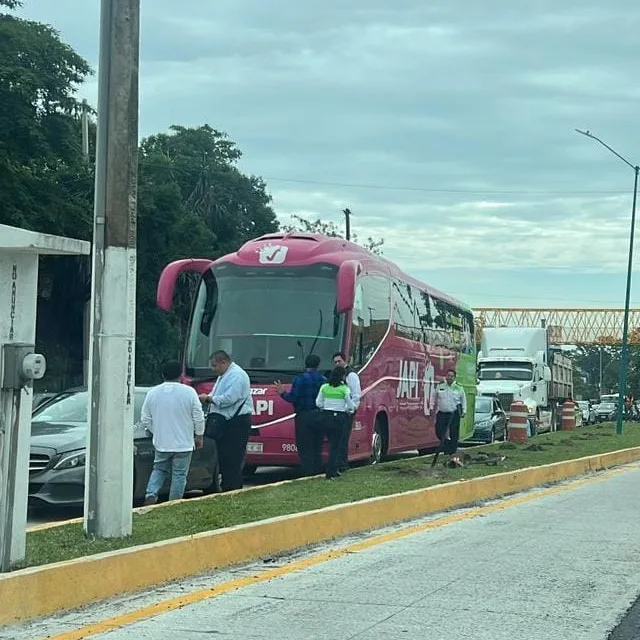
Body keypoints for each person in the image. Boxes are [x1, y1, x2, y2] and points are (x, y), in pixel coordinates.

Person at [141, 360, 205, 506]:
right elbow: (198, 416)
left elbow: (145, 418)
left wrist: (156, 431)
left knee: (158, 469)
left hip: (162, 442)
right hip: (184, 444)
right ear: (180, 374)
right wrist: (199, 435)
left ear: (163, 374)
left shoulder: (153, 392)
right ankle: (174, 503)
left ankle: (151, 494)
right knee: (179, 475)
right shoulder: (189, 392)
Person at [199, 351, 252, 492]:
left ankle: (232, 489)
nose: (213, 369)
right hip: (226, 421)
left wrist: (209, 399)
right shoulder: (224, 375)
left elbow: (229, 398)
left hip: (236, 422)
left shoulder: (236, 376)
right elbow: (217, 393)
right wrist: (210, 397)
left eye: (214, 365)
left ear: (224, 362)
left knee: (232, 459)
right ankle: (227, 487)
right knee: (224, 458)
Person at [274, 354, 326, 476]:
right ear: (318, 365)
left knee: (304, 446)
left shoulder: (300, 379)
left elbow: (293, 398)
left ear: (305, 364)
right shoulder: (323, 380)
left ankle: (308, 472)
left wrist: (282, 393)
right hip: (319, 415)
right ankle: (318, 471)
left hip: (304, 416)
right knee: (317, 445)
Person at [314, 366, 355, 479]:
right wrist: (348, 410)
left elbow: (318, 403)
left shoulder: (324, 387)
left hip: (326, 417)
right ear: (342, 376)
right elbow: (350, 406)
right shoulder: (344, 389)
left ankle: (332, 469)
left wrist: (327, 406)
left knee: (331, 444)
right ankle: (331, 471)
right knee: (336, 446)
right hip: (339, 418)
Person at [332, 351, 361, 473]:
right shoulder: (336, 375)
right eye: (335, 362)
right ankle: (338, 463)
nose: (337, 364)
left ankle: (342, 464)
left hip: (347, 411)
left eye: (339, 361)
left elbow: (356, 395)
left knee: (343, 438)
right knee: (338, 439)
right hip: (337, 411)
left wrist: (352, 409)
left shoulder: (351, 375)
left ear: (345, 361)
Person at [434, 369, 467, 463]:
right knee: (439, 432)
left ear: (454, 377)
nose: (449, 377)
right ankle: (448, 446)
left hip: (454, 413)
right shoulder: (440, 386)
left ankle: (452, 452)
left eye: (451, 376)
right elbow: (434, 397)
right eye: (448, 375)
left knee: (454, 434)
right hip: (442, 413)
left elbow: (463, 400)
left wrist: (464, 411)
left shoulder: (459, 387)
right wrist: (433, 408)